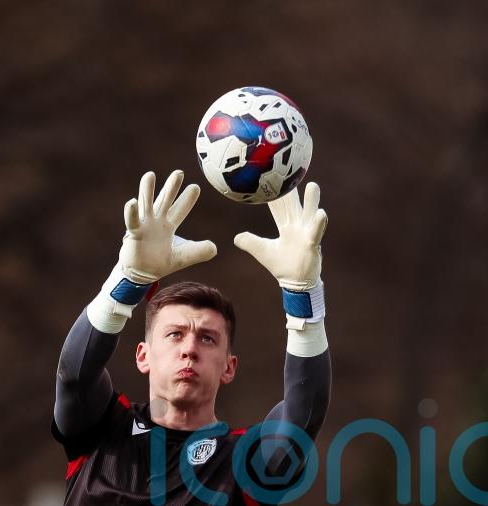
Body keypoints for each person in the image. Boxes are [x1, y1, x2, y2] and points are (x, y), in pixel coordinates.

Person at [51, 170, 332, 505]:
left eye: (208, 339)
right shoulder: (102, 428)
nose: (189, 349)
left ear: (229, 367)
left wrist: (303, 297)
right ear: (143, 355)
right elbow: (74, 374)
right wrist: (126, 281)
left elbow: (304, 414)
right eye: (174, 334)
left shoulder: (245, 461)